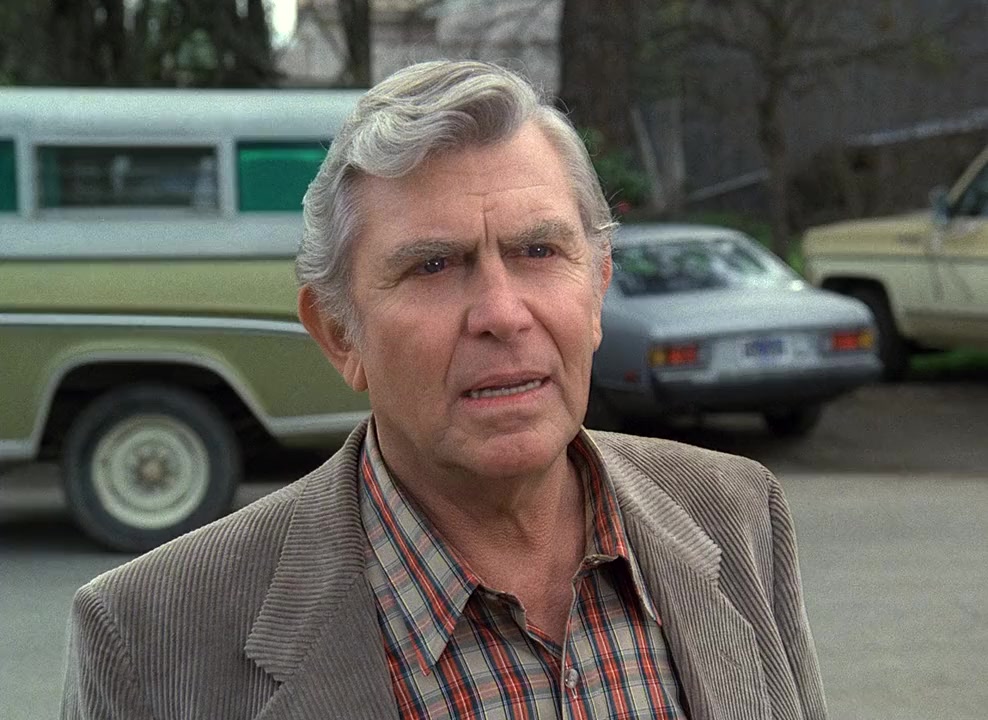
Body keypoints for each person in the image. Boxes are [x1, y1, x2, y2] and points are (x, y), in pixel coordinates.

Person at [61, 60, 827, 720]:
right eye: (433, 266)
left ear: (597, 289)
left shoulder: (734, 512)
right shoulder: (147, 636)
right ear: (339, 333)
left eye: (538, 250)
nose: (502, 314)